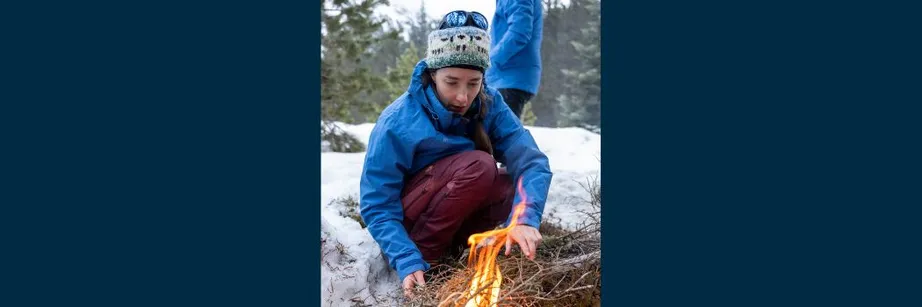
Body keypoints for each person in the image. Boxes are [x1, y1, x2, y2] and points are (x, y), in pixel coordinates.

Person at [358, 10, 553, 297]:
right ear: (433, 74)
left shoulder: (490, 102)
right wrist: (406, 257)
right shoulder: (398, 120)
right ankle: (427, 261)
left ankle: (464, 248)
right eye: (451, 82)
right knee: (480, 166)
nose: (463, 96)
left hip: (453, 202)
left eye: (473, 83)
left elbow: (532, 162)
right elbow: (377, 203)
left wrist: (524, 219)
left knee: (512, 184)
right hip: (409, 223)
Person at [485, 0, 544, 119]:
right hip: (506, 77)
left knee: (500, 129)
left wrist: (489, 61)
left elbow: (520, 32)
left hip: (509, 77)